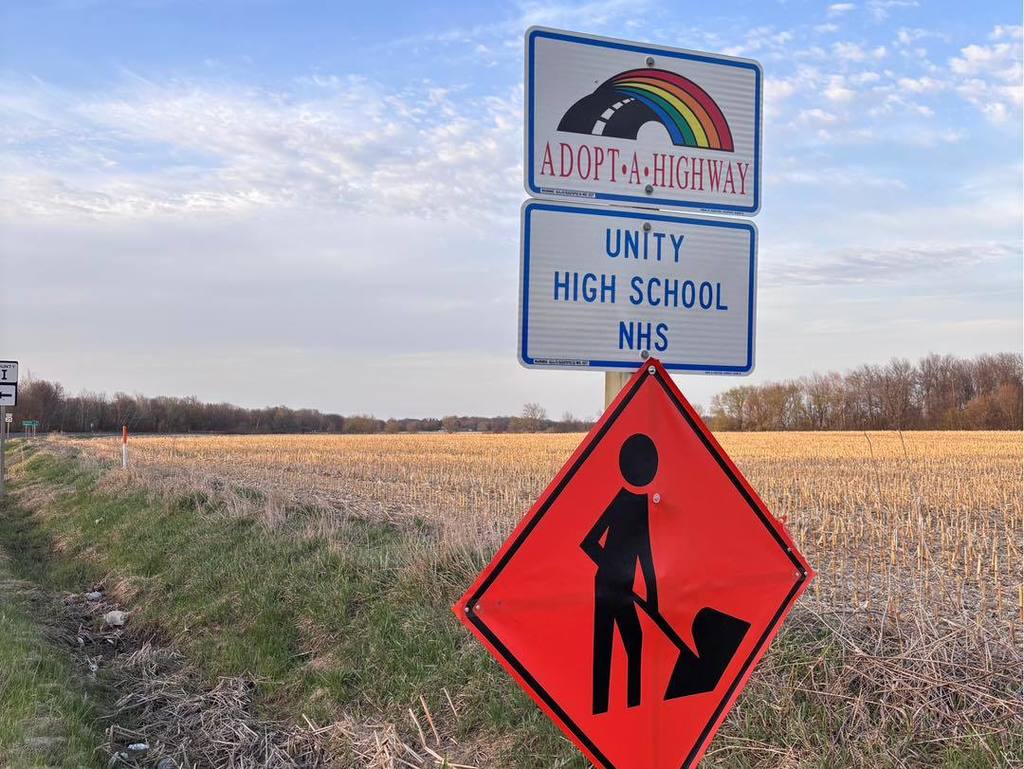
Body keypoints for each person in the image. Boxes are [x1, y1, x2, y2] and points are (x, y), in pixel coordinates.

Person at [580, 433, 659, 714]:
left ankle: (632, 706)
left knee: (634, 642)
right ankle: (602, 708)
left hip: (624, 585)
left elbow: (644, 550)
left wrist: (654, 596)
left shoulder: (641, 502)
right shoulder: (622, 500)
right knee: (605, 645)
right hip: (606, 584)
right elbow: (588, 542)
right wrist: (611, 568)